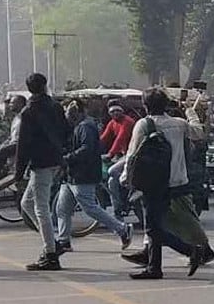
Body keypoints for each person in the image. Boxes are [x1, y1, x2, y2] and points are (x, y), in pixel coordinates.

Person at [121, 87, 210, 279]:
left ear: (145, 106)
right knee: (159, 223)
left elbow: (132, 154)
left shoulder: (143, 124)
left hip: (154, 182)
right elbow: (198, 133)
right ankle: (154, 266)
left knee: (153, 228)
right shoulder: (179, 124)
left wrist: (126, 178)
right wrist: (190, 112)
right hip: (177, 180)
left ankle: (191, 250)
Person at [54, 99, 133, 254]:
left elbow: (87, 148)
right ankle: (64, 241)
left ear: (76, 111)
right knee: (62, 208)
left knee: (90, 208)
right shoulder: (79, 126)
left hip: (83, 174)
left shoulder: (86, 127)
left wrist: (68, 158)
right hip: (72, 174)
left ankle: (122, 229)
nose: (66, 114)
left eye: (68, 111)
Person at [16, 73, 71, 272]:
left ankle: (50, 254)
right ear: (45, 86)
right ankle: (53, 244)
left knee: (41, 209)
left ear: (29, 89)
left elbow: (23, 145)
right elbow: (66, 131)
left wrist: (17, 172)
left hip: (41, 162)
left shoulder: (29, 111)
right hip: (54, 159)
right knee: (27, 204)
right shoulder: (55, 106)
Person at [101, 102, 136, 217]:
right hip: (122, 155)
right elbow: (104, 138)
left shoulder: (127, 122)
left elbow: (120, 139)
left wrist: (110, 154)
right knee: (111, 181)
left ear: (122, 111)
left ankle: (128, 184)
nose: (115, 113)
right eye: (112, 112)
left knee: (112, 171)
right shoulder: (112, 123)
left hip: (132, 154)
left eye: (117, 111)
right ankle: (118, 208)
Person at [0, 95, 24, 177]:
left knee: (3, 150)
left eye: (13, 103)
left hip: (21, 144)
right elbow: (11, 135)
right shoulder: (16, 118)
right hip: (12, 143)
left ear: (20, 104)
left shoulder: (25, 117)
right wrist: (5, 142)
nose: (10, 105)